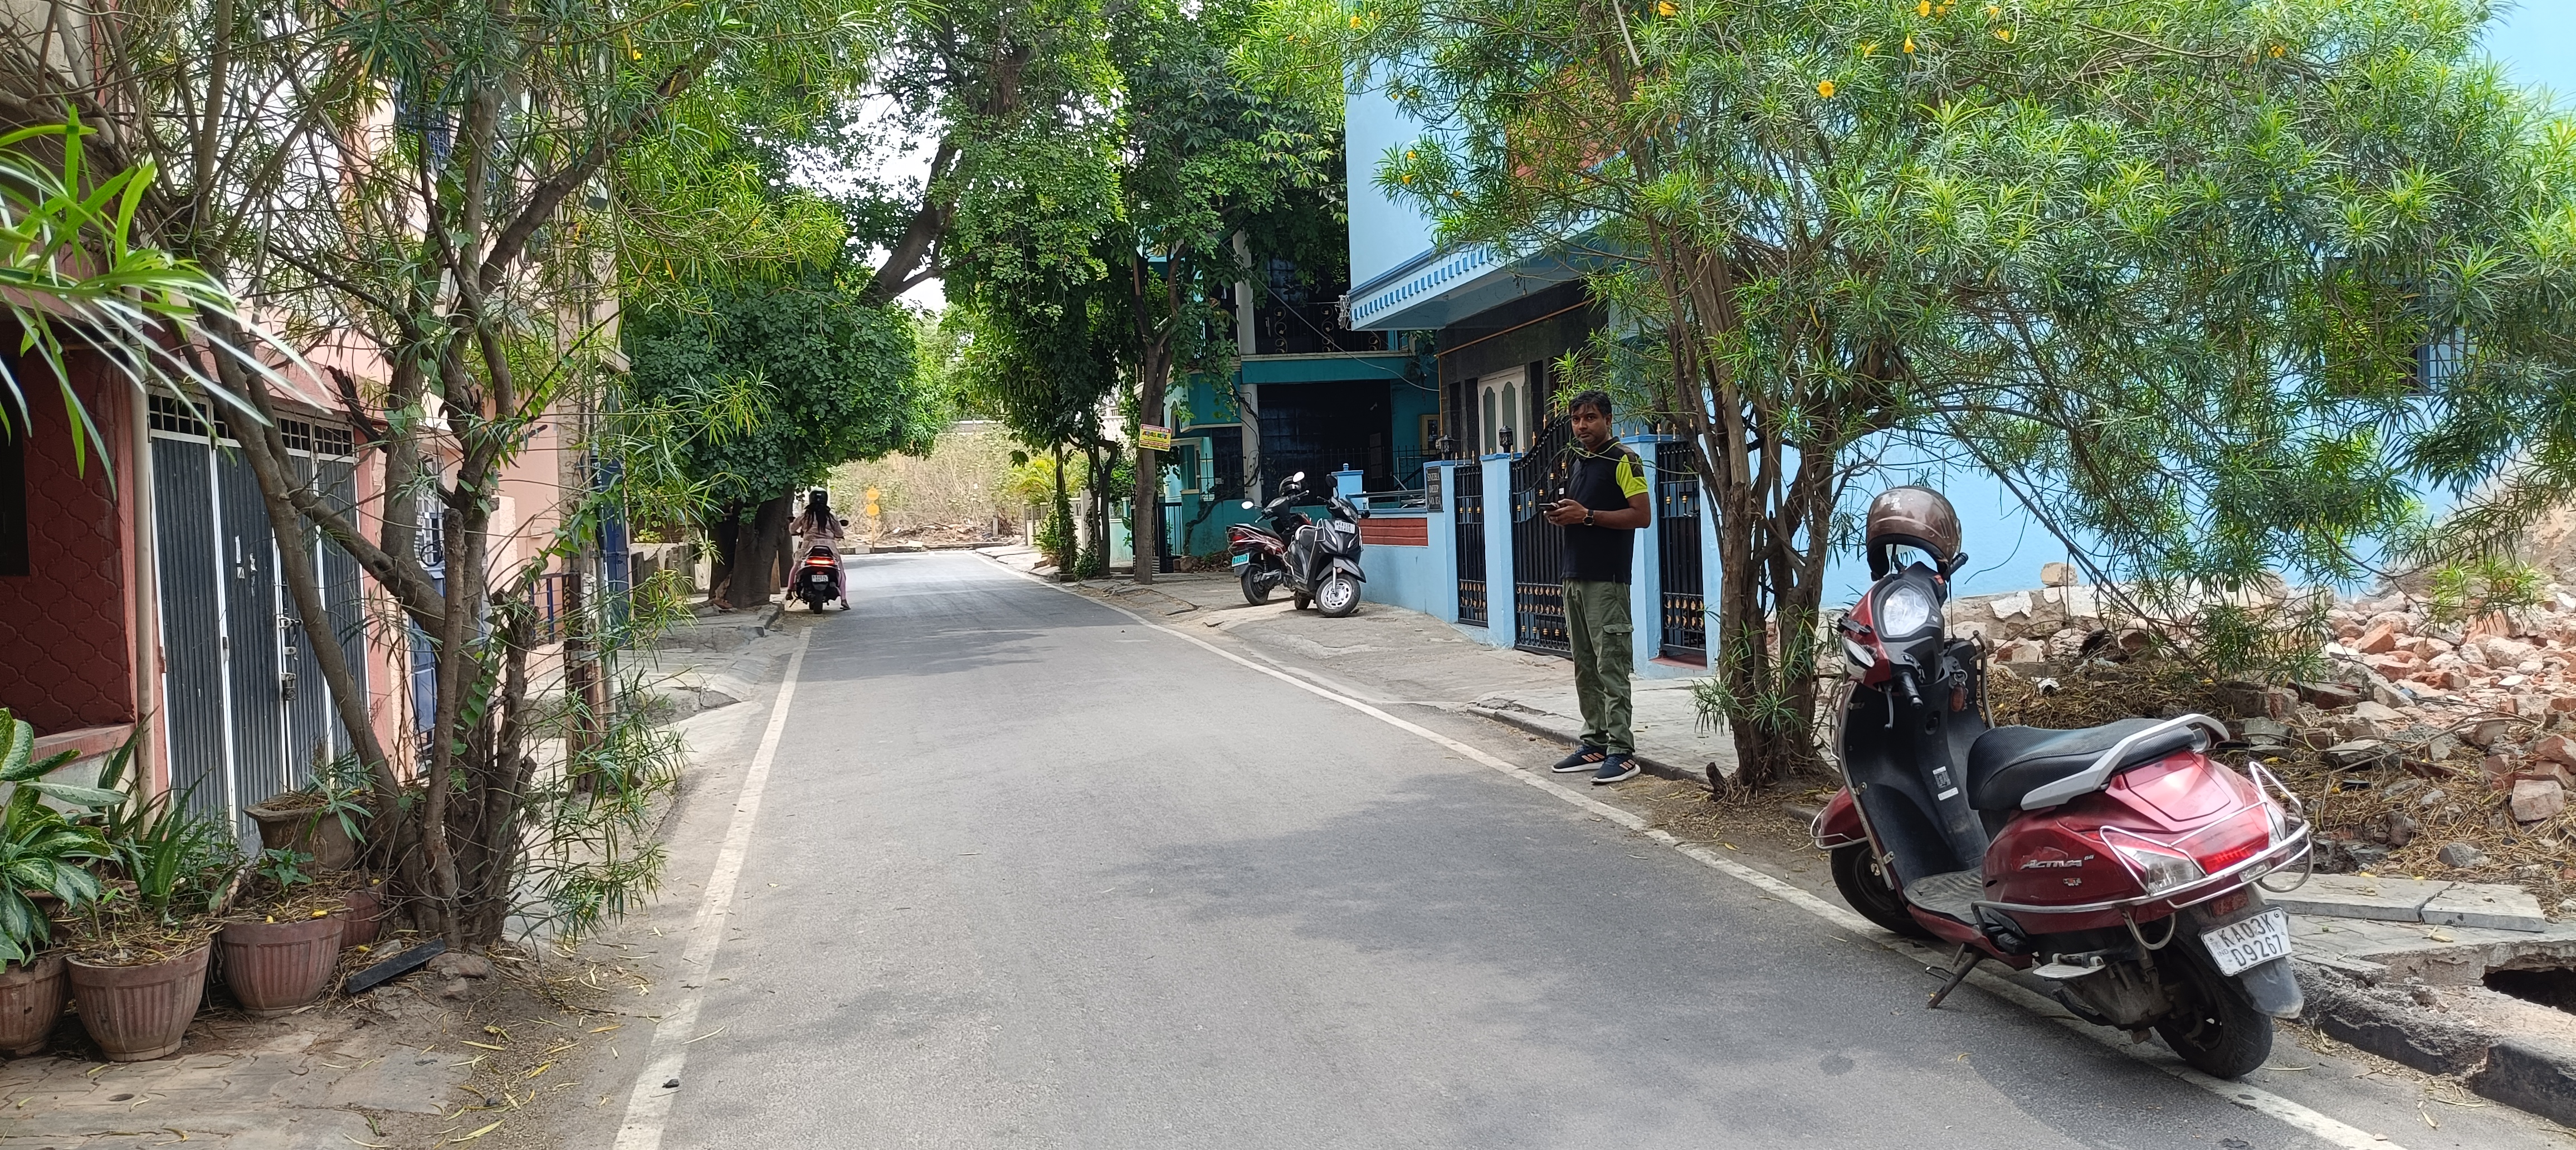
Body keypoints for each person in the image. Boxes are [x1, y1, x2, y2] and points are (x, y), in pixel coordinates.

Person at [1540, 389, 1652, 784]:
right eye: (1576, 419)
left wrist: (1587, 516)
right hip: (1574, 575)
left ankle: (1621, 751)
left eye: (1590, 418)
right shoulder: (1579, 461)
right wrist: (1565, 515)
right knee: (1585, 666)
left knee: (1611, 665)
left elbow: (1642, 516)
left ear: (1608, 419)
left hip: (1607, 580)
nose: (1582, 426)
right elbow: (1581, 512)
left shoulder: (1624, 460)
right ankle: (1594, 743)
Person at [787, 489, 847, 602]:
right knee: (840, 569)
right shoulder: (831, 515)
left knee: (797, 565)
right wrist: (838, 535)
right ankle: (844, 599)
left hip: (809, 546)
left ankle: (790, 590)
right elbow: (839, 532)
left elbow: (793, 528)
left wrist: (795, 531)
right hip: (829, 547)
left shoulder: (806, 514)